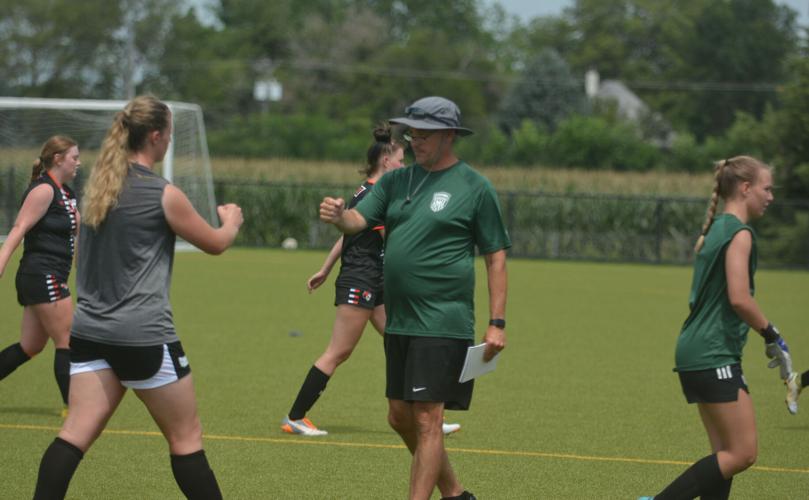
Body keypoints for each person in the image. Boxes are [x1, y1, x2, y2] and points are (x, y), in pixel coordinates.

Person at [31, 95, 243, 500]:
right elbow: (216, 243)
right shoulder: (162, 193)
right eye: (169, 135)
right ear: (156, 136)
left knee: (73, 435)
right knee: (186, 439)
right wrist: (231, 221)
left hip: (89, 333)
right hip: (142, 336)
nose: (170, 142)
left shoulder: (96, 187)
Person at [319, 96, 510, 500]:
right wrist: (339, 216)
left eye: (424, 135)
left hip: (443, 320)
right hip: (400, 318)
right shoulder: (395, 181)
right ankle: (455, 493)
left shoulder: (475, 187)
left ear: (449, 135)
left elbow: (495, 257)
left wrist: (497, 322)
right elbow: (357, 220)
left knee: (427, 419)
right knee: (399, 417)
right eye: (412, 134)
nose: (414, 141)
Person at [640, 156, 792, 500]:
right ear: (746, 188)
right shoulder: (740, 234)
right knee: (743, 453)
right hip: (713, 353)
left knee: (724, 454)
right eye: (767, 189)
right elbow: (739, 298)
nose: (771, 197)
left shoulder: (717, 229)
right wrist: (772, 334)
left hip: (696, 351)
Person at [281, 124, 405, 436]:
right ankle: (295, 417)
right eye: (402, 161)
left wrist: (325, 269)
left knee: (400, 341)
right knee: (339, 352)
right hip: (361, 280)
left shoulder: (366, 191)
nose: (405, 167)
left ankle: (423, 417)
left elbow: (349, 233)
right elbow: (391, 240)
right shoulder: (377, 194)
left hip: (373, 280)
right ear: (387, 161)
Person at [0, 136, 81, 415]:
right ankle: (75, 408)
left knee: (31, 346)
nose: (79, 163)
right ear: (58, 159)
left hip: (46, 276)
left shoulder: (66, 192)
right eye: (74, 157)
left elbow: (76, 232)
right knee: (67, 340)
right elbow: (19, 228)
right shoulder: (44, 190)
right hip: (43, 275)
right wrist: (1, 262)